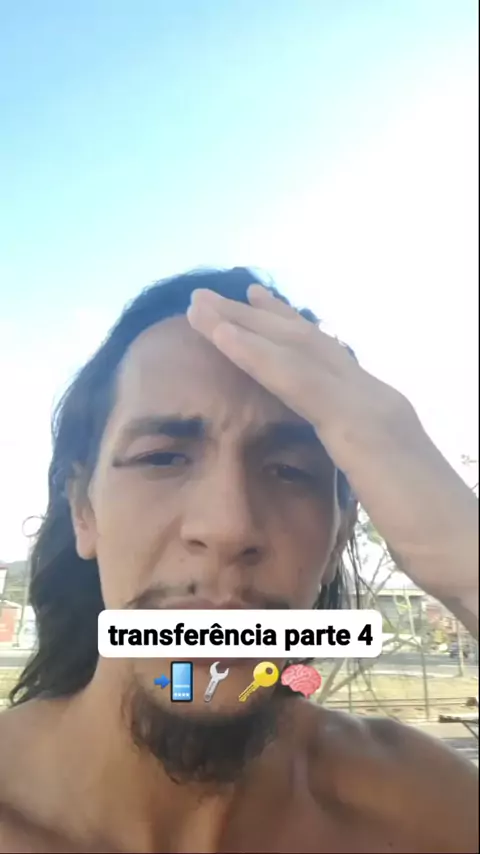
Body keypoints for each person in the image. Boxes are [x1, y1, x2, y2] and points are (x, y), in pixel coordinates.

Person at [0, 267, 477, 853]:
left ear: (337, 537)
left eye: (290, 470)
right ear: (83, 510)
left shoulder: (427, 812)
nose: (230, 528)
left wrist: (469, 566)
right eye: (161, 458)